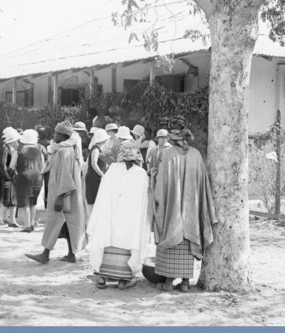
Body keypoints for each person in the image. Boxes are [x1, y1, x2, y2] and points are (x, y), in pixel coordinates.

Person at [152, 120, 217, 293]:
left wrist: (153, 176)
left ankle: (168, 282)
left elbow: (161, 186)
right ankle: (186, 282)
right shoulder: (196, 155)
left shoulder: (168, 154)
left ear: (172, 139)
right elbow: (203, 184)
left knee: (171, 237)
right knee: (189, 240)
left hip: (172, 209)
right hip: (192, 210)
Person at [87, 138, 152, 288]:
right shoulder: (141, 173)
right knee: (129, 240)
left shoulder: (112, 170)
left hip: (111, 218)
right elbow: (143, 202)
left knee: (107, 237)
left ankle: (102, 276)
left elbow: (103, 196)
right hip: (130, 220)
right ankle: (124, 279)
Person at [26, 121, 86, 264]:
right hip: (69, 195)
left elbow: (65, 176)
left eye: (55, 133)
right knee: (69, 224)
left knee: (54, 222)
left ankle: (45, 254)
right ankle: (70, 255)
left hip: (63, 195)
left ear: (62, 135)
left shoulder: (64, 151)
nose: (53, 135)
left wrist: (59, 198)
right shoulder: (66, 149)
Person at [15, 129, 44, 233]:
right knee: (33, 201)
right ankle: (32, 223)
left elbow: (12, 166)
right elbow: (43, 166)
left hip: (24, 176)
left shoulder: (19, 151)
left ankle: (27, 225)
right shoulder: (39, 152)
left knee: (24, 201)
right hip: (38, 177)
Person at [84, 128, 109, 206]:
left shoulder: (97, 148)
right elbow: (94, 163)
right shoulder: (96, 149)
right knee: (93, 203)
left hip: (95, 177)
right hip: (94, 178)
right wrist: (102, 174)